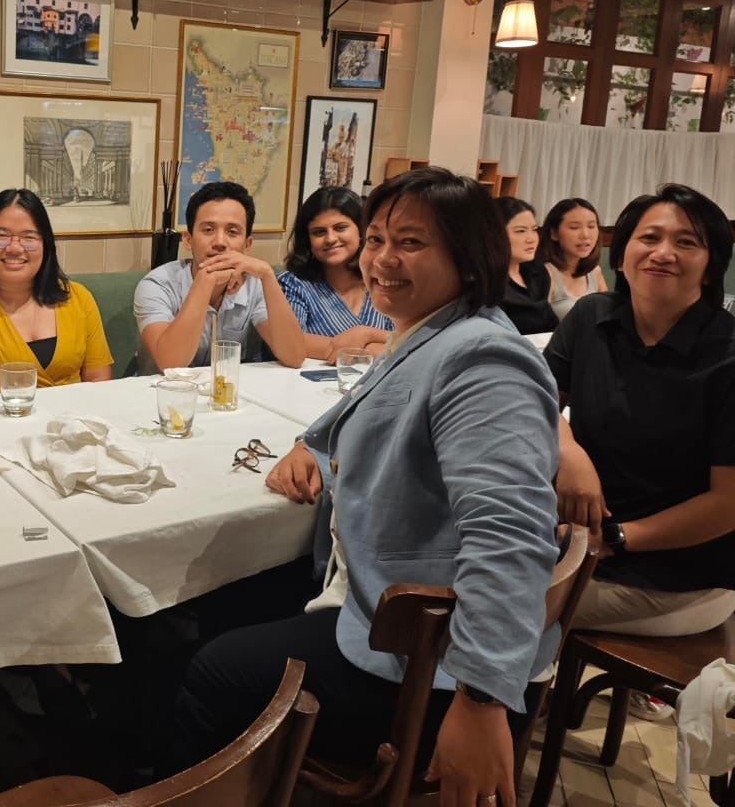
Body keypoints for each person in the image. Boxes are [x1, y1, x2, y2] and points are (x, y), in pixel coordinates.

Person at [171, 168, 560, 807]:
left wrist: (482, 698)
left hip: (426, 660)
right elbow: (367, 403)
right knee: (221, 598)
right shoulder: (431, 330)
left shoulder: (482, 359)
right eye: (376, 239)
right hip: (377, 598)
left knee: (212, 669)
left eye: (410, 243)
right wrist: (312, 443)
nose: (382, 259)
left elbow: (510, 533)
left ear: (469, 256)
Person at [545, 184, 735, 648]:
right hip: (575, 545)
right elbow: (533, 399)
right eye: (649, 238)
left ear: (712, 267)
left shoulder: (727, 356)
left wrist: (616, 536)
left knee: (492, 605)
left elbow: (727, 503)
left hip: (680, 576)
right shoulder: (592, 318)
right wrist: (568, 451)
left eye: (686, 242)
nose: (663, 253)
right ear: (623, 252)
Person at [0, 189, 114, 395]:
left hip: (75, 422)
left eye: (29, 237)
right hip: (1, 424)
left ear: (46, 245)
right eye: (1, 235)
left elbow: (99, 381)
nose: (14, 248)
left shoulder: (79, 298)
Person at [133, 181, 304, 373]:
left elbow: (294, 356)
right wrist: (206, 282)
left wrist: (267, 275)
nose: (220, 242)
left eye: (232, 232)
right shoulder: (157, 285)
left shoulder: (254, 285)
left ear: (247, 244)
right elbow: (171, 364)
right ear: (188, 240)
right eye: (208, 230)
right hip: (162, 395)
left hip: (225, 394)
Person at [278, 187, 391, 362]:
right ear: (308, 240)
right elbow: (293, 343)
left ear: (362, 231)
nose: (330, 238)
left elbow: (408, 339)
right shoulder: (294, 284)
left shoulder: (385, 281)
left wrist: (366, 334)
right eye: (319, 232)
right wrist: (371, 349)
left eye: (340, 228)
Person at [498, 196, 559, 335]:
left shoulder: (538, 272)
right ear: (495, 234)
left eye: (534, 229)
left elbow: (551, 322)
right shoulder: (487, 283)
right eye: (521, 231)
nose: (531, 238)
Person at [542, 197, 608, 319]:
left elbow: (608, 315)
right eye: (574, 227)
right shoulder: (547, 272)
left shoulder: (595, 271)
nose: (585, 235)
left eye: (591, 226)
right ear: (554, 233)